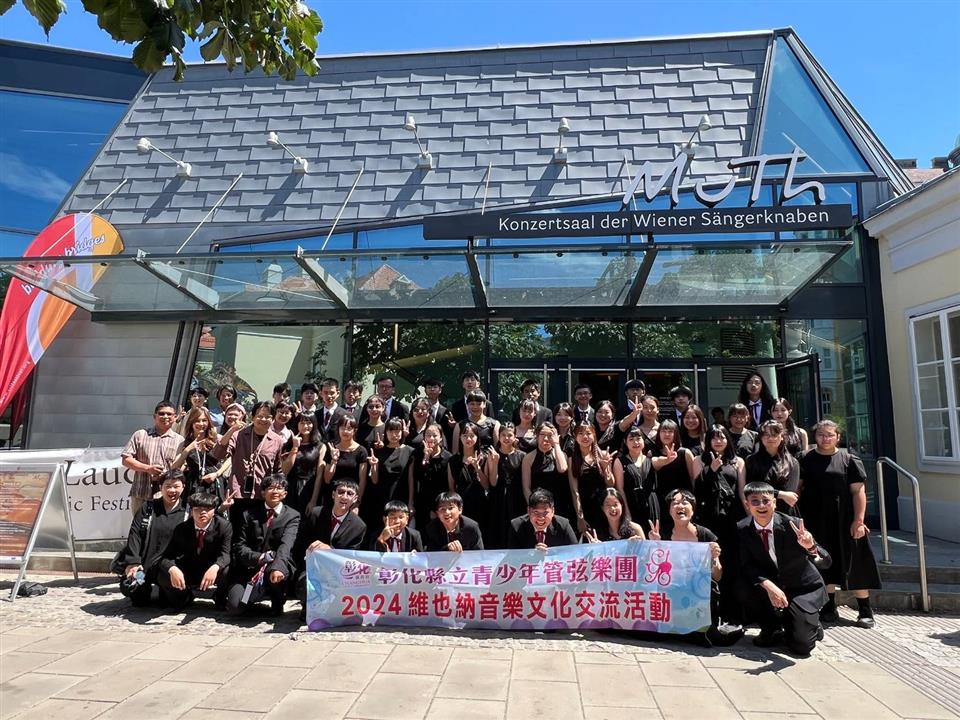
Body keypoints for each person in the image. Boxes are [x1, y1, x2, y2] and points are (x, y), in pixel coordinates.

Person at [799, 420, 881, 629]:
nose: (825, 438)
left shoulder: (849, 459)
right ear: (815, 436)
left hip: (845, 519)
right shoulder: (805, 458)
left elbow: (858, 491)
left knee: (855, 563)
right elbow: (799, 488)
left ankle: (865, 609)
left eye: (830, 434)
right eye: (821, 434)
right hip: (816, 518)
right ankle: (829, 606)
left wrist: (859, 521)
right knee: (823, 561)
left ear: (838, 437)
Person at [738, 481, 832, 657]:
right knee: (742, 585)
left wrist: (811, 547)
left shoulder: (793, 525)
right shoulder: (742, 528)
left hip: (802, 588)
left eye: (766, 500)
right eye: (755, 501)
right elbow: (746, 565)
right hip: (771, 586)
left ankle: (807, 623)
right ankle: (771, 627)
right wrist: (768, 585)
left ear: (774, 502)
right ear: (747, 504)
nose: (761, 506)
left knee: (801, 647)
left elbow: (826, 562)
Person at [649, 489, 737, 647]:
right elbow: (653, 571)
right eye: (675, 503)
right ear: (669, 510)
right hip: (671, 587)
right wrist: (655, 545)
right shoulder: (663, 533)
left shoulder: (705, 535)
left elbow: (717, 576)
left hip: (698, 589)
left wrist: (713, 558)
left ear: (693, 509)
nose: (680, 506)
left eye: (685, 502)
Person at [225, 474, 300, 616]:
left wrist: (277, 566)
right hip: (251, 566)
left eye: (279, 488)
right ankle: (252, 600)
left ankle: (277, 601)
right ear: (263, 492)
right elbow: (240, 545)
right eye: (271, 488)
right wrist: (259, 557)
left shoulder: (292, 515)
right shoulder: (248, 514)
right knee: (235, 607)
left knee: (277, 572)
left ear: (285, 494)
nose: (275, 491)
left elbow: (286, 545)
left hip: (276, 564)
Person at [115, 470, 190, 607]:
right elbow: (135, 535)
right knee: (133, 591)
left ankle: (174, 593)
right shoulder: (148, 508)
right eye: (167, 486)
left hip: (169, 568)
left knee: (172, 602)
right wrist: (134, 562)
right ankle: (144, 587)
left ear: (183, 487)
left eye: (176, 486)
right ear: (160, 487)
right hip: (145, 566)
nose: (172, 490)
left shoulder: (188, 511)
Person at [695, 424, 745, 625]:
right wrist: (711, 470)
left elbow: (741, 491)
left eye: (722, 437)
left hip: (731, 517)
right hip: (709, 518)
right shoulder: (699, 460)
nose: (718, 441)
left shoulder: (737, 461)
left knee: (732, 562)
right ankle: (712, 610)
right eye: (714, 437)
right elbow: (697, 490)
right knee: (711, 562)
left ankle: (732, 611)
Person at [295, 480, 367, 617]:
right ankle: (308, 606)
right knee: (304, 584)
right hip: (312, 566)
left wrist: (330, 550)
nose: (344, 496)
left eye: (349, 493)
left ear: (355, 499)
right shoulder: (316, 513)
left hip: (338, 571)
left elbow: (351, 556)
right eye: (341, 492)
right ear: (333, 494)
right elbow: (301, 540)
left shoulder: (359, 526)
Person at [157, 491, 232, 611]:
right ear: (191, 511)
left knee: (227, 570)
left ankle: (220, 597)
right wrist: (173, 569)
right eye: (197, 509)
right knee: (163, 574)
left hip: (211, 568)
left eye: (207, 509)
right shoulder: (182, 528)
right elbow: (166, 557)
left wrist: (216, 566)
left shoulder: (224, 527)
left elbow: (226, 554)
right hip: (189, 568)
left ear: (214, 510)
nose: (202, 513)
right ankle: (184, 596)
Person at [211, 400, 284, 501]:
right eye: (260, 416)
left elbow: (277, 469)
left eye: (268, 417)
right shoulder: (239, 435)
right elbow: (218, 454)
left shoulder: (277, 441)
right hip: (237, 492)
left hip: (262, 494)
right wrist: (231, 430)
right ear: (253, 417)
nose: (263, 419)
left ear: (273, 419)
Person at [121, 400, 185, 516]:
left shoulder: (180, 441)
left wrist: (166, 475)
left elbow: (181, 466)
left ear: (175, 417)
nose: (165, 416)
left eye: (169, 414)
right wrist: (148, 468)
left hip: (166, 496)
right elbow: (126, 460)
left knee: (163, 526)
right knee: (139, 526)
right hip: (141, 492)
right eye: (161, 413)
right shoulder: (140, 435)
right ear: (154, 416)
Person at [568, 422, 620, 535]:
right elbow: (574, 490)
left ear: (594, 435)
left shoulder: (602, 455)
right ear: (575, 436)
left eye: (588, 433)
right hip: (584, 506)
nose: (585, 437)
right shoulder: (573, 459)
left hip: (603, 505)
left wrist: (605, 469)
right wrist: (580, 517)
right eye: (580, 433)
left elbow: (610, 484)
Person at [742, 420, 800, 516]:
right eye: (766, 435)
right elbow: (751, 488)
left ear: (782, 437)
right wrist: (780, 494)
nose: (770, 438)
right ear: (761, 437)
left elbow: (790, 495)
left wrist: (771, 492)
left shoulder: (792, 462)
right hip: (760, 512)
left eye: (774, 435)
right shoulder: (751, 460)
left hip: (785, 513)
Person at [449, 422, 497, 537]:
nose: (468, 439)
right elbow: (451, 488)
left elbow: (487, 486)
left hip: (481, 505)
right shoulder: (453, 460)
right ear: (460, 437)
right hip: (462, 506)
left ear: (477, 437)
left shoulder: (484, 457)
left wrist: (477, 468)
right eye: (465, 436)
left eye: (472, 436)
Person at [650, 419, 696, 536]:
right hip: (662, 502)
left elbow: (693, 479)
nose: (666, 434)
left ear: (676, 434)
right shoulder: (652, 453)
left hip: (683, 501)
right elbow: (655, 463)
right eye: (663, 431)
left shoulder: (685, 453)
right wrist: (667, 460)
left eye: (670, 431)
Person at [171, 406, 225, 500]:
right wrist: (187, 450)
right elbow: (174, 467)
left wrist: (217, 473)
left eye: (204, 420)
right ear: (191, 423)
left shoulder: (216, 439)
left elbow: (230, 459)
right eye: (197, 421)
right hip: (193, 485)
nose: (201, 424)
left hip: (213, 483)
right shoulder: (184, 442)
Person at [521, 422, 572, 519]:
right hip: (537, 502)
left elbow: (562, 469)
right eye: (542, 434)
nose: (546, 438)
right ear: (537, 436)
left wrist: (556, 444)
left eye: (550, 435)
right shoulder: (528, 458)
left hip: (558, 502)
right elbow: (526, 488)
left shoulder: (560, 454)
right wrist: (533, 507)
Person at [322, 415, 369, 516]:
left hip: (351, 498)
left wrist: (357, 502)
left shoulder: (361, 451)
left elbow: (362, 480)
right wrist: (334, 460)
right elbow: (327, 479)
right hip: (333, 496)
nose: (345, 431)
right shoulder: (332, 449)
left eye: (349, 428)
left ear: (354, 430)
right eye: (342, 428)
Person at [409, 424, 453, 531]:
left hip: (440, 504)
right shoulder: (417, 454)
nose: (431, 438)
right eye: (428, 435)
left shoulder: (448, 457)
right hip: (421, 503)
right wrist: (426, 457)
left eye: (434, 435)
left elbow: (450, 485)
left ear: (441, 438)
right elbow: (415, 478)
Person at [281, 412, 325, 513]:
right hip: (290, 488)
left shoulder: (320, 446)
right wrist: (295, 447)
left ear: (314, 424)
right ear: (297, 424)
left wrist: (313, 500)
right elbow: (285, 470)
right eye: (302, 423)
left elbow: (319, 476)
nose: (305, 426)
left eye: (309, 423)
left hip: (309, 488)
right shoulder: (288, 445)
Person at [489, 422, 524, 549]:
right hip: (498, 498)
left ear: (515, 437)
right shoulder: (492, 454)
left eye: (510, 435)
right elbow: (493, 482)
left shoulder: (522, 456)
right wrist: (495, 462)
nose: (506, 438)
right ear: (499, 436)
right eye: (503, 435)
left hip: (516, 497)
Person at [508, 488, 578, 549]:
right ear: (528, 511)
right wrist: (532, 554)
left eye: (545, 512)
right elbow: (511, 556)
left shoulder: (563, 525)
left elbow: (575, 552)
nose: (541, 517)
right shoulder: (516, 526)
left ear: (553, 511)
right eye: (536, 512)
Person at [621, 427, 659, 531]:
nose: (636, 442)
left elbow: (661, 461)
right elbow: (620, 489)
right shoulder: (620, 461)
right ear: (625, 442)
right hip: (632, 503)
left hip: (651, 502)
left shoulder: (650, 459)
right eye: (631, 439)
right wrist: (626, 511)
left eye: (638, 438)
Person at [317, 378, 348, 442]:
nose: (329, 396)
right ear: (321, 394)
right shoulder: (316, 415)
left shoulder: (345, 415)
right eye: (325, 392)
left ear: (338, 393)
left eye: (332, 393)